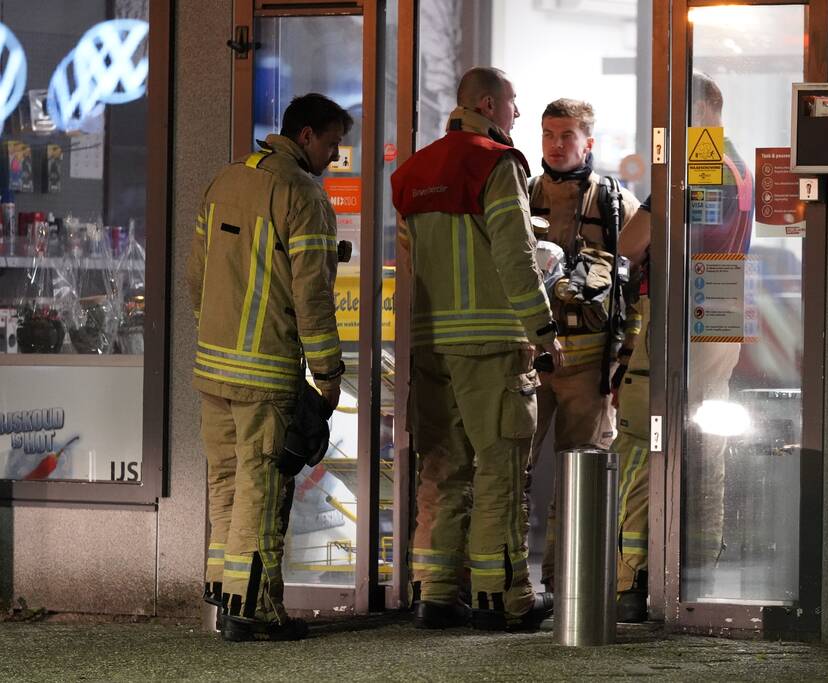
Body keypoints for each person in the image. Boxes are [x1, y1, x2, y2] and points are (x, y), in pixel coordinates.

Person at [391, 66, 563, 632]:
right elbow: (516, 254)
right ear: (488, 105)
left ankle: (435, 594)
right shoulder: (496, 162)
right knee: (499, 470)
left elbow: (410, 267)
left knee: (441, 467)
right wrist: (543, 331)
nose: (517, 114)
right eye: (513, 105)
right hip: (490, 342)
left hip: (429, 343)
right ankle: (502, 597)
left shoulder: (413, 171)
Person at [187, 93, 352, 642]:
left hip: (213, 366)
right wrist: (329, 375)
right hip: (264, 373)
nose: (334, 156)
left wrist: (212, 333)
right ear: (305, 135)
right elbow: (314, 295)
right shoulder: (301, 194)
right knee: (261, 488)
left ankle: (224, 593)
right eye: (330, 144)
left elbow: (197, 275)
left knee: (226, 482)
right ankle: (254, 609)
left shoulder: (226, 180)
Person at [614, 70, 753, 622]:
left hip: (680, 315)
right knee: (703, 446)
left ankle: (636, 577)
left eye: (678, 111)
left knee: (646, 434)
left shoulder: (696, 166)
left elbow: (630, 242)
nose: (670, 126)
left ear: (705, 108)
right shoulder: (739, 166)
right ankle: (695, 565)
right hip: (720, 311)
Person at [526, 98, 641, 591]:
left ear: (588, 142)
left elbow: (635, 283)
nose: (556, 144)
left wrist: (625, 359)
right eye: (549, 134)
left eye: (567, 135)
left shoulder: (616, 203)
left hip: (590, 362)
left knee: (582, 473)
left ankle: (566, 582)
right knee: (510, 469)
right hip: (529, 357)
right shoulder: (519, 193)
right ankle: (507, 579)